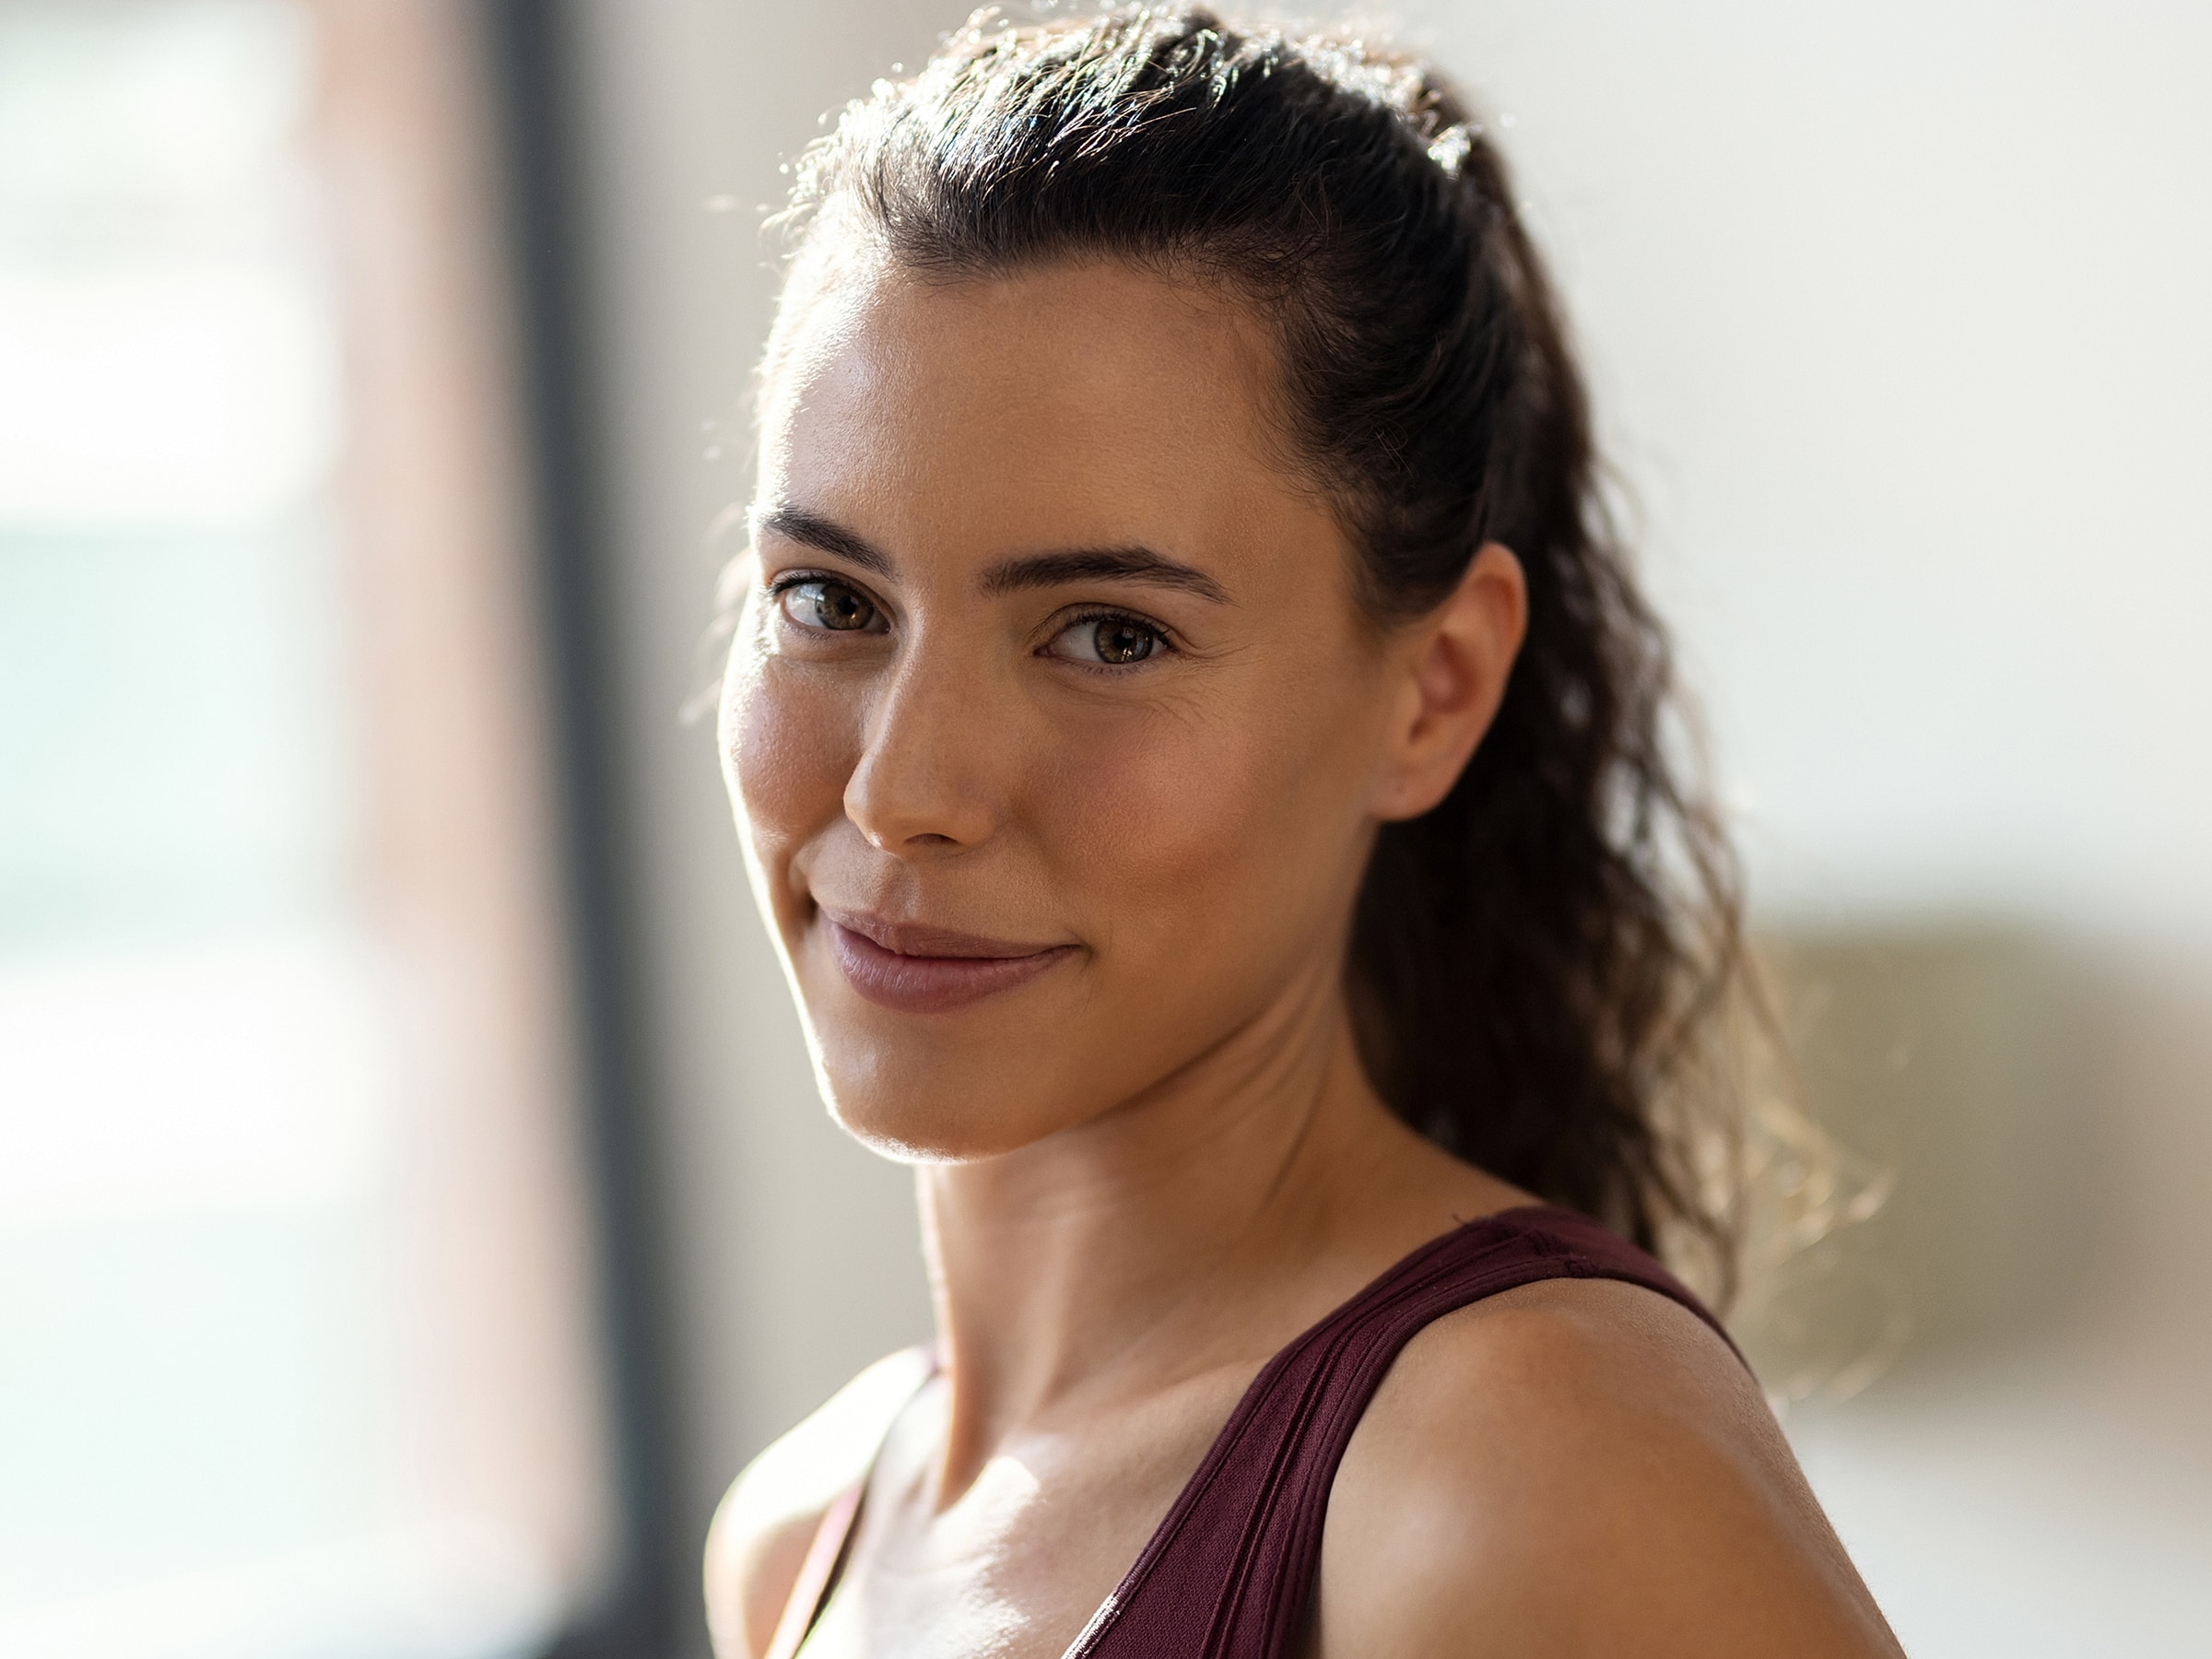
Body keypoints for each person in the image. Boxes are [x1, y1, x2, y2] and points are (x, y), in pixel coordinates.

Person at [702, 7, 1901, 1654]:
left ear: (1434, 690)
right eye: (829, 599)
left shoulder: (1530, 1467)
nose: (904, 788)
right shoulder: (801, 1535)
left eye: (1108, 633)